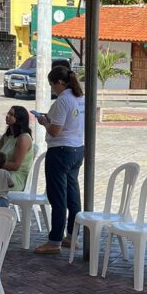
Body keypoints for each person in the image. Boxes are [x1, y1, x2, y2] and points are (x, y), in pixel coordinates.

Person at [32, 65, 85, 255]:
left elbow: (55, 130)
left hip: (60, 150)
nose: (52, 88)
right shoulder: (80, 97)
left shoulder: (63, 100)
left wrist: (44, 122)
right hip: (77, 148)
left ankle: (54, 241)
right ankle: (72, 235)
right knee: (73, 195)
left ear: (60, 82)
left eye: (52, 84)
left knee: (58, 197)